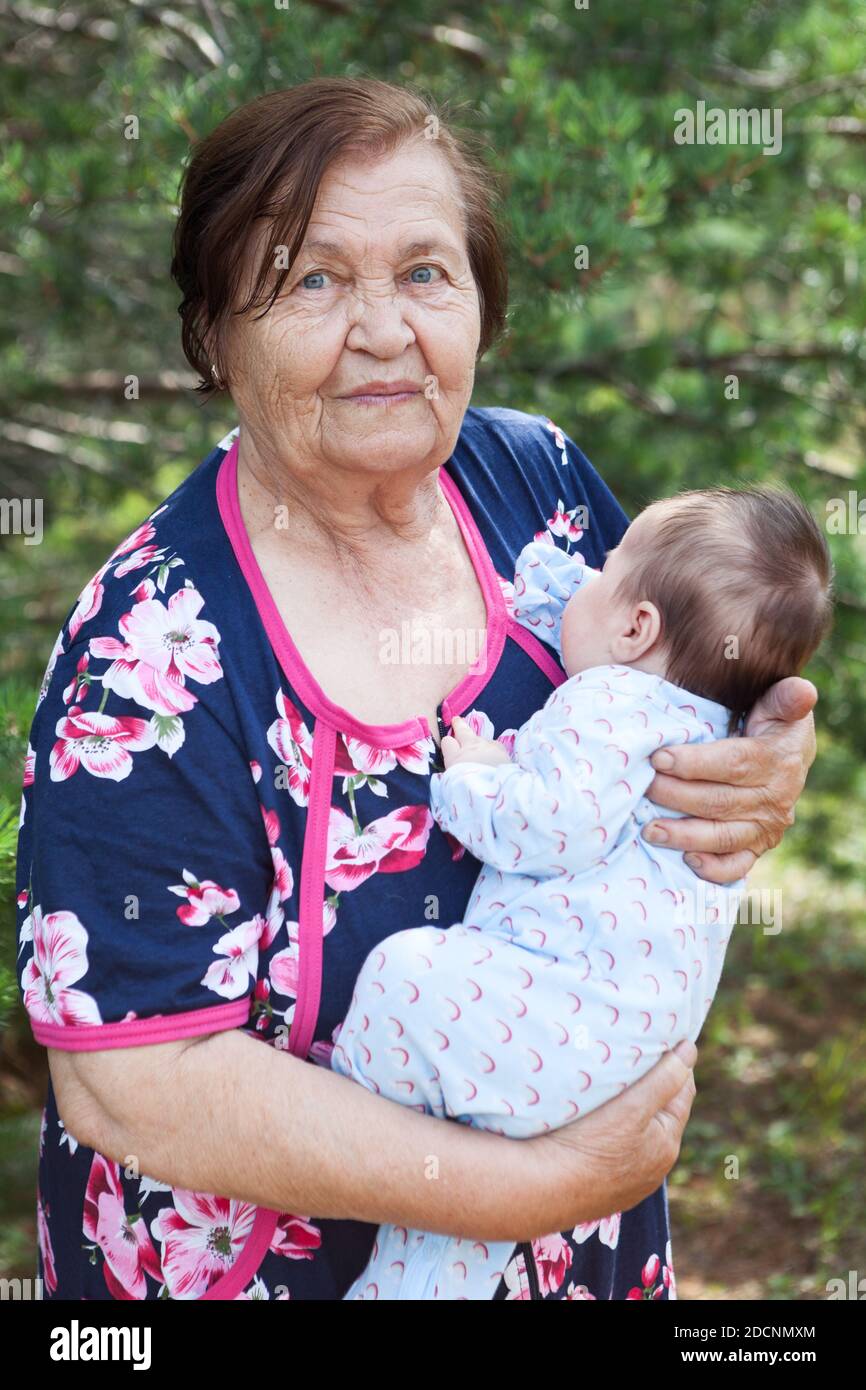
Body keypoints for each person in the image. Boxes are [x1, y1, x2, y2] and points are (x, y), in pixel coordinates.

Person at [15, 78, 817, 1300]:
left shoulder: (532, 482)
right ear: (213, 332)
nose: (385, 329)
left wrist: (757, 762)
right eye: (313, 279)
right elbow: (139, 1079)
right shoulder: (151, 651)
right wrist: (527, 1188)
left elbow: (680, 693)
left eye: (427, 274)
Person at [332, 485, 833, 1299]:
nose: (583, 576)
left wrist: (470, 781)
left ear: (637, 631)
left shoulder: (611, 700)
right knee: (450, 1240)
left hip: (559, 1014)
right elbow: (587, 604)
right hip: (611, 1063)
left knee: (402, 980)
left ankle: (356, 1111)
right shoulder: (708, 720)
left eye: (604, 571)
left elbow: (552, 827)